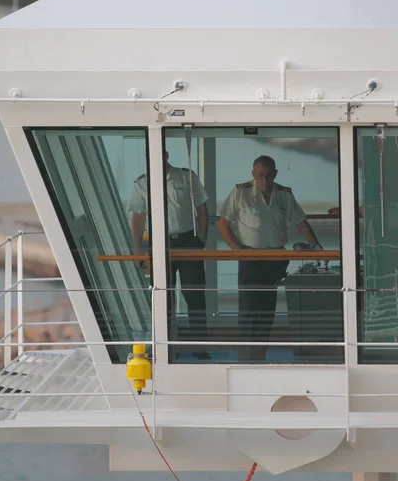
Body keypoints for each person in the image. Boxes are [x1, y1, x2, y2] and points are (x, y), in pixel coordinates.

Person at [218, 155, 322, 362]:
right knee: (248, 309)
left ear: (274, 174)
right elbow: (223, 224)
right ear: (253, 175)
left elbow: (300, 222)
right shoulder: (240, 193)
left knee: (266, 310)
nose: (264, 180)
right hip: (250, 257)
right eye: (259, 176)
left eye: (268, 176)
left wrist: (316, 245)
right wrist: (238, 250)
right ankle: (246, 358)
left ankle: (259, 356)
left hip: (275, 257)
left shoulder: (284, 194)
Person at [128, 152, 210, 360]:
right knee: (164, 297)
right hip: (159, 244)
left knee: (195, 296)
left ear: (165, 155)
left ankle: (200, 346)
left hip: (188, 241)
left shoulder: (186, 177)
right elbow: (137, 216)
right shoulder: (142, 183)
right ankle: (167, 349)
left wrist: (201, 239)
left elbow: (202, 209)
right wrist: (137, 248)